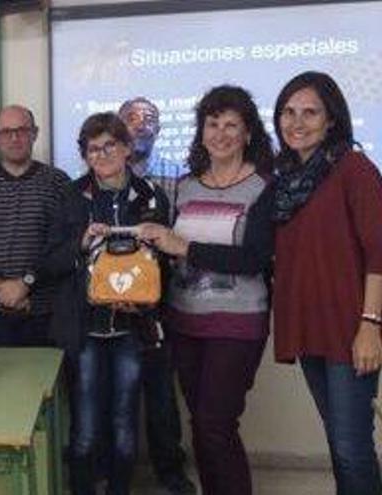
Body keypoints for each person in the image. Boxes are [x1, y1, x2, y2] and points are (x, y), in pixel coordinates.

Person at [139, 85, 275, 495]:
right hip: (184, 322)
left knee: (217, 423)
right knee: (200, 423)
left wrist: (187, 247)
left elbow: (255, 258)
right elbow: (165, 252)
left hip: (238, 324)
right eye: (212, 124)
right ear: (201, 132)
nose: (221, 133)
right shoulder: (183, 187)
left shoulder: (265, 187)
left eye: (232, 124)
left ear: (248, 133)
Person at [44, 112, 169, 495]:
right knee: (85, 427)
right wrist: (81, 244)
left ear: (128, 148)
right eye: (92, 149)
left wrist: (146, 300)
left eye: (109, 146)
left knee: (123, 425)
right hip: (85, 328)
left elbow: (167, 263)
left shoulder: (151, 195)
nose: (100, 155)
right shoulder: (71, 196)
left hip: (132, 329)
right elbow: (48, 261)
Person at [272, 71, 382, 495]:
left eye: (310, 112)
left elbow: (378, 253)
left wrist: (370, 325)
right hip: (308, 326)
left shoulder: (354, 168)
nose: (296, 122)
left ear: (331, 120)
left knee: (352, 447)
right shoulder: (285, 179)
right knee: (339, 443)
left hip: (352, 329)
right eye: (288, 111)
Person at [118, 97, 195, 495]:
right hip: (112, 306)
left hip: (162, 305)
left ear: (160, 130)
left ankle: (170, 472)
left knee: (162, 396)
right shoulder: (100, 176)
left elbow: (184, 242)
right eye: (131, 120)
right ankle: (119, 475)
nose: (140, 127)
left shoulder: (179, 178)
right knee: (121, 396)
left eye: (149, 121)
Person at [0, 105, 70, 346]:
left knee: (45, 382)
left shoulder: (58, 182)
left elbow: (61, 245)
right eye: (6, 132)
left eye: (22, 130)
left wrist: (26, 284)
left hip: (44, 311)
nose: (14, 138)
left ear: (35, 133)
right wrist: (1, 286)